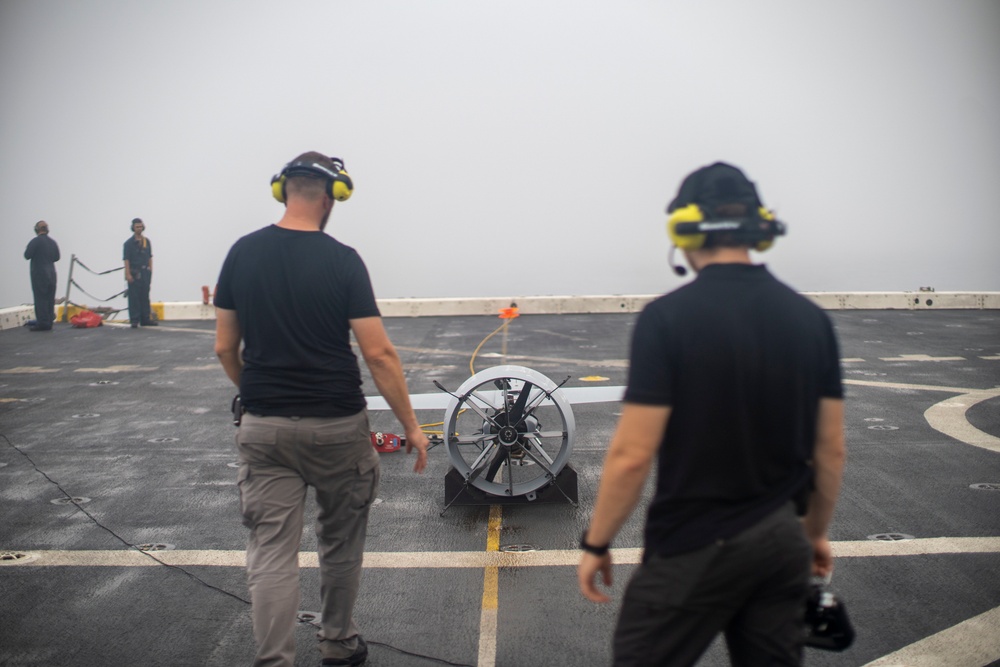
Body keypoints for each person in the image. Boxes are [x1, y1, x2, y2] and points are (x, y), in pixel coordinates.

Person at [578, 162, 846, 666]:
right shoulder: (811, 321)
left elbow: (633, 455)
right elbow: (830, 450)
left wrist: (596, 541)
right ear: (760, 227)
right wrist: (811, 536)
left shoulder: (666, 319)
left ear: (683, 228)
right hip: (780, 541)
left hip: (693, 544)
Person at [214, 151, 429, 667]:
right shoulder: (343, 260)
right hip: (337, 427)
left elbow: (225, 348)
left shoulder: (241, 254)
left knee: (270, 554)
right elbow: (378, 353)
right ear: (334, 196)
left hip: (264, 430)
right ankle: (337, 643)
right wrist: (411, 427)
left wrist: (261, 396)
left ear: (281, 190)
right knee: (339, 545)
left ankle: (274, 661)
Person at [23, 220, 61, 332]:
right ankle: (48, 321)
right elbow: (57, 257)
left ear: (37, 230)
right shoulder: (53, 242)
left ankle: (43, 323)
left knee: (40, 298)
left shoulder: (35, 242)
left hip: (39, 274)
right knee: (49, 298)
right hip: (52, 274)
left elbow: (27, 255)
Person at [123, 217, 155, 327]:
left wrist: (150, 271)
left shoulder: (147, 242)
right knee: (134, 297)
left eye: (141, 226)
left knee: (145, 296)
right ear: (133, 228)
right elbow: (126, 259)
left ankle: (145, 318)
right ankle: (134, 320)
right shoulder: (128, 244)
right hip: (134, 272)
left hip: (145, 272)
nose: (139, 229)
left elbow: (150, 257)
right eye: (137, 227)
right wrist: (127, 274)